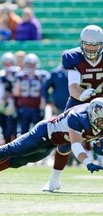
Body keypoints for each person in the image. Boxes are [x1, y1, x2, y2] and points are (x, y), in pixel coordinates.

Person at [0, 98, 103, 191]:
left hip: (57, 141)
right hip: (45, 133)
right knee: (12, 149)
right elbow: (76, 144)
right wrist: (88, 162)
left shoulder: (96, 119)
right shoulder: (77, 117)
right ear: (93, 115)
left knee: (21, 160)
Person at [43, 25, 103, 192]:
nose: (91, 48)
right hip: (79, 101)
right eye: (87, 44)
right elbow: (73, 88)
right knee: (64, 142)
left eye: (95, 45)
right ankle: (54, 178)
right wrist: (84, 95)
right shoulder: (73, 56)